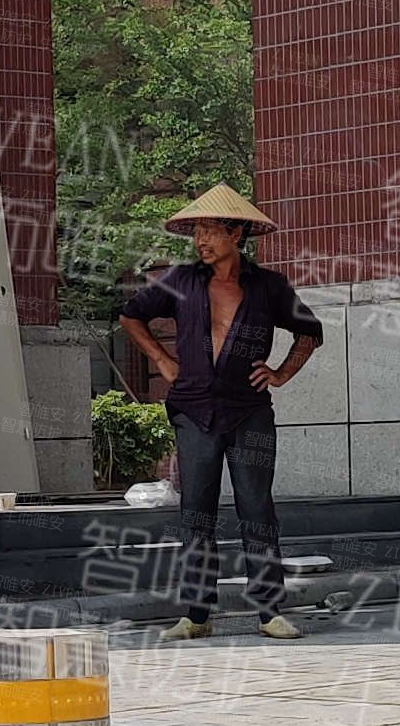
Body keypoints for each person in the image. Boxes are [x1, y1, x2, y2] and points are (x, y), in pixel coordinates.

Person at [116, 186, 324, 638]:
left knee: (257, 510)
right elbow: (130, 315)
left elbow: (310, 331)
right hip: (194, 411)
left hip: (250, 412)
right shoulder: (179, 280)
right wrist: (161, 358)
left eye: (210, 231)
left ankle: (269, 612)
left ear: (236, 234)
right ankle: (196, 615)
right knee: (196, 514)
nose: (201, 240)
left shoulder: (269, 286)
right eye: (197, 231)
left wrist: (281, 373)